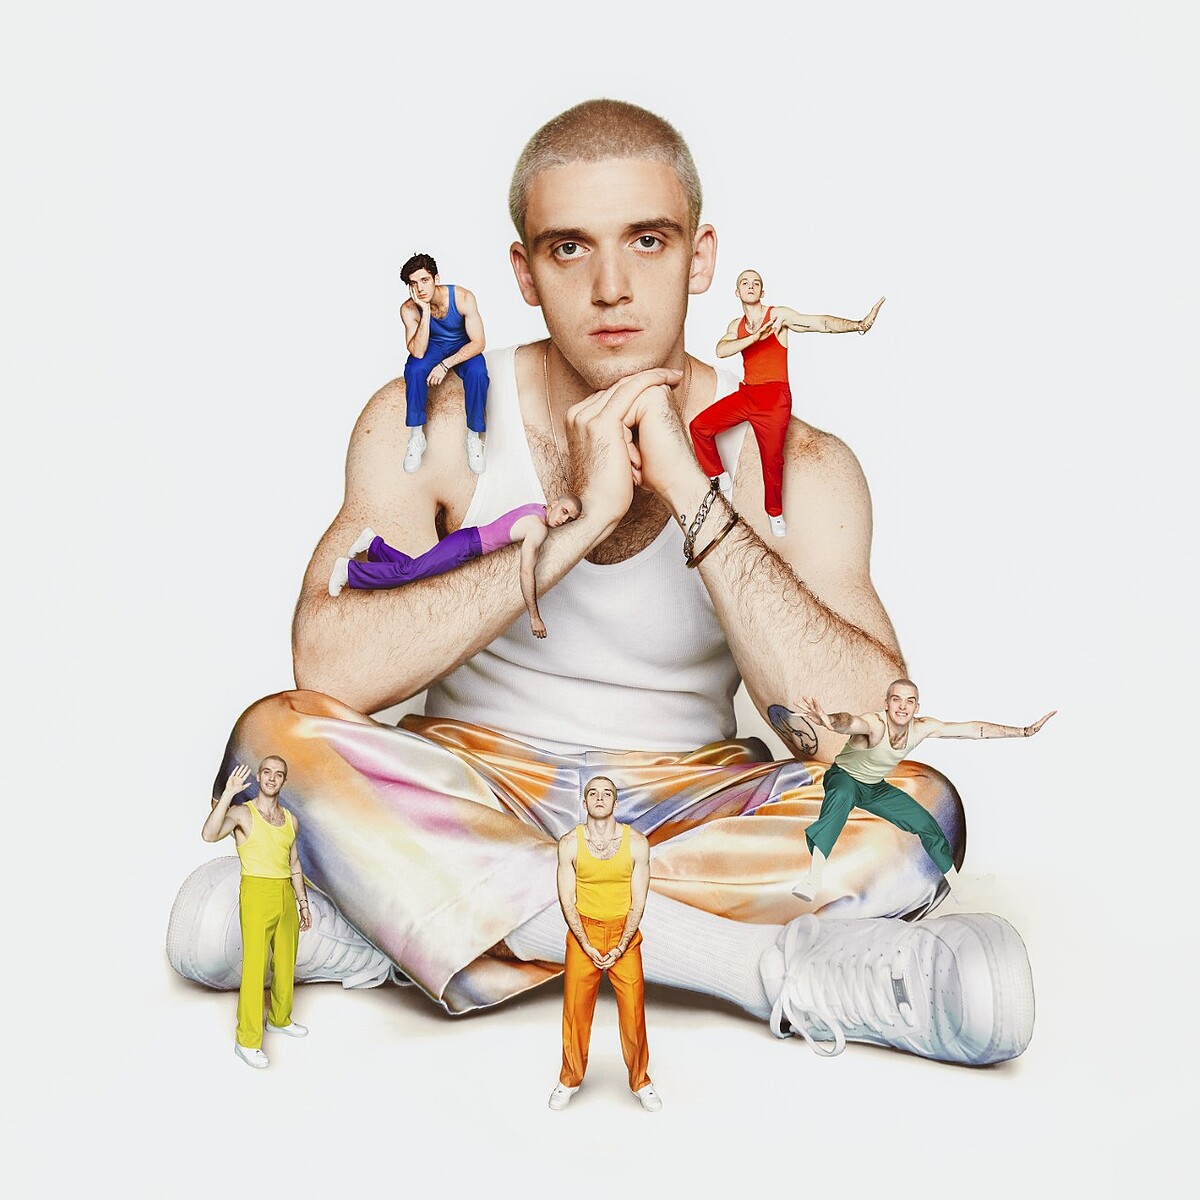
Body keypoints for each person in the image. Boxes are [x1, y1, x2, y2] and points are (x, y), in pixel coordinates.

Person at [168, 99, 1037, 1069]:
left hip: (688, 803)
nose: (612, 287)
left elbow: (864, 731)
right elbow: (329, 673)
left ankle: (398, 917)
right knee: (273, 736)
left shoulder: (794, 462)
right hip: (473, 784)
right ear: (524, 272)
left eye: (648, 241)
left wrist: (694, 495)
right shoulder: (439, 427)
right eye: (570, 248)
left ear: (700, 257)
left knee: (913, 808)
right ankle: (764, 971)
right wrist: (570, 529)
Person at [788, 683, 1055, 900]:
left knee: (926, 823)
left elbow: (973, 730)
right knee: (842, 796)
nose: (903, 706)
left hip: (874, 787)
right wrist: (829, 721)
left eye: (910, 701)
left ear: (917, 707)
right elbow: (850, 722)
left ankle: (958, 887)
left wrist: (1023, 731)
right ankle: (813, 878)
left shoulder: (922, 727)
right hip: (844, 777)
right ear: (886, 703)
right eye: (896, 699)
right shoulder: (875, 724)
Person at [690, 269, 886, 537]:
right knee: (699, 427)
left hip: (774, 399)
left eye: (756, 283)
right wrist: (753, 338)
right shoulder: (735, 326)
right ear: (737, 292)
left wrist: (859, 324)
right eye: (745, 282)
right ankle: (718, 475)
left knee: (772, 462)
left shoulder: (778, 317)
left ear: (762, 292)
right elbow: (721, 349)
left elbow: (820, 323)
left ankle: (774, 513)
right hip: (748, 394)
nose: (750, 286)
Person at [550, 777, 660, 1112]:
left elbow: (638, 902)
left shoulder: (637, 843)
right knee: (575, 1013)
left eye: (607, 793)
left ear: (616, 802)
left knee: (633, 1012)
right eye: (593, 794)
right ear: (584, 803)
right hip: (583, 932)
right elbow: (567, 900)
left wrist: (621, 945)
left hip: (623, 935)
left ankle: (641, 1081)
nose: (600, 798)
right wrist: (586, 943)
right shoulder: (569, 844)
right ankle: (569, 1079)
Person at [328, 494, 582, 639]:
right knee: (410, 573)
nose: (564, 519)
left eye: (570, 518)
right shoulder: (538, 529)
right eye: (564, 511)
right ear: (556, 501)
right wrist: (535, 617)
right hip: (465, 546)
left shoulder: (538, 507)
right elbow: (526, 571)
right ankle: (348, 570)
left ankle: (373, 544)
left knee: (415, 568)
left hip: (466, 540)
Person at [201, 757, 312, 1069]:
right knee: (255, 967)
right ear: (260, 777)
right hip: (256, 892)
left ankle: (279, 1019)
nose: (272, 778)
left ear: (284, 781)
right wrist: (228, 793)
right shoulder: (242, 812)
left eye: (279, 774)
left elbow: (294, 864)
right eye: (267, 772)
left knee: (286, 961)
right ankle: (247, 1041)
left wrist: (303, 903)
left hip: (285, 893)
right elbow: (209, 834)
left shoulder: (291, 820)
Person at [399, 253, 490, 475]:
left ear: (436, 279)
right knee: (414, 369)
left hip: (463, 344)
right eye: (413, 283)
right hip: (433, 345)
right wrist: (425, 312)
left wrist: (444, 365)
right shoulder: (409, 309)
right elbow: (418, 351)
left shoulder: (463, 298)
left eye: (424, 280)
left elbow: (479, 342)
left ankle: (473, 437)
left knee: (478, 373)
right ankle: (417, 436)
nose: (420, 288)